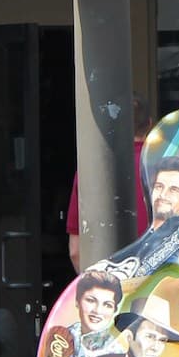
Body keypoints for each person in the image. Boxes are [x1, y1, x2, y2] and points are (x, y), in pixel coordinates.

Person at [67, 95, 151, 272]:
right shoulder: (172, 166)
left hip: (108, 285)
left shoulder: (91, 170)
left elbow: (76, 251)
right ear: (150, 124)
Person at [68, 267, 123, 357]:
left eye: (107, 305)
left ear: (114, 310)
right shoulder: (60, 338)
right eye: (91, 300)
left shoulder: (119, 355)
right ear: (77, 301)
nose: (97, 311)